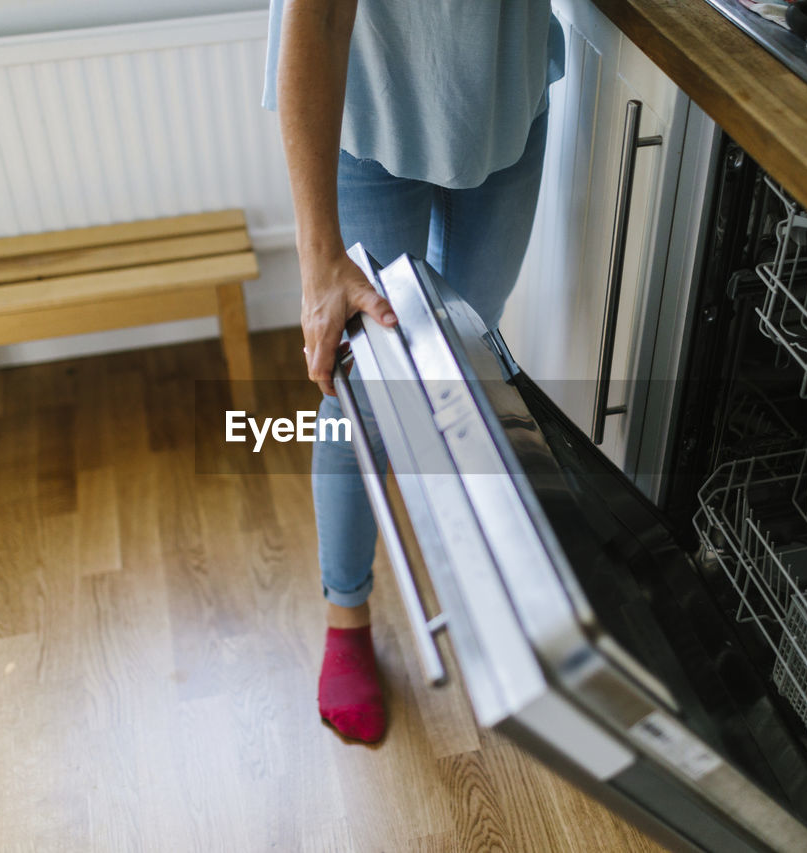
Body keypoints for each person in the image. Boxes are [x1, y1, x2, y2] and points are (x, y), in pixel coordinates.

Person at [263, 0, 564, 743]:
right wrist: (318, 257)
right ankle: (347, 613)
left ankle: (477, 592)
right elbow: (321, 14)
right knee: (360, 393)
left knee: (463, 371)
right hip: (371, 111)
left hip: (505, 104)